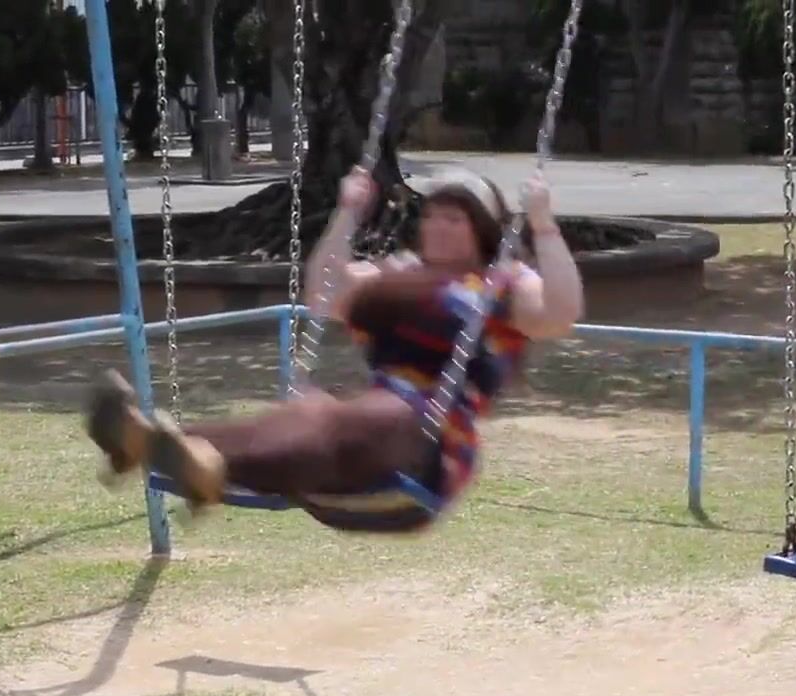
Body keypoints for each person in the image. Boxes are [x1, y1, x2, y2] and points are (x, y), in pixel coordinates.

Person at [84, 165, 584, 530]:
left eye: (454, 218)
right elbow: (325, 293)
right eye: (432, 215)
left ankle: (198, 460)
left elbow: (560, 313)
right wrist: (347, 213)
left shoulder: (503, 282)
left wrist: (544, 225)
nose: (437, 226)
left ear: (482, 227)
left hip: (429, 451)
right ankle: (168, 448)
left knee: (360, 417)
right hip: (362, 440)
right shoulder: (402, 272)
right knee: (309, 415)